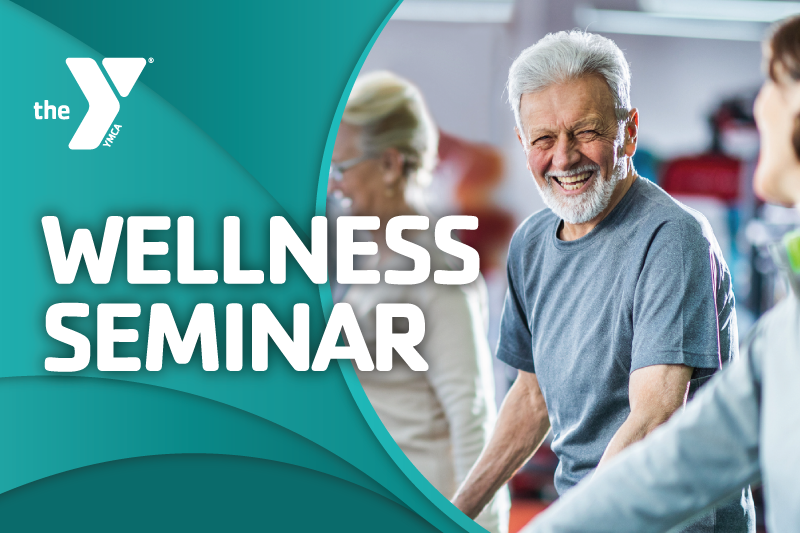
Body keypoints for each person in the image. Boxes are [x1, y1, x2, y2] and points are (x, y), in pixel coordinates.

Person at [452, 31, 754, 531]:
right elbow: (532, 397)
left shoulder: (672, 238)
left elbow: (652, 419)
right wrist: (451, 511)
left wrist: (562, 525)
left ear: (628, 132)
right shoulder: (531, 244)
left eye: (586, 131)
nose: (564, 157)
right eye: (543, 139)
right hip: (590, 514)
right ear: (524, 144)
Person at [519, 15, 800, 533]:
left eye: (774, 85)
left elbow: (655, 424)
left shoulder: (674, 238)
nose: (761, 105)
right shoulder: (785, 331)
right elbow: (684, 456)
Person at [328, 71, 510, 533]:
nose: (335, 185)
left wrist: (484, 528)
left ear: (390, 165)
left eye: (343, 168)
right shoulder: (376, 259)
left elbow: (472, 418)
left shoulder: (437, 271)